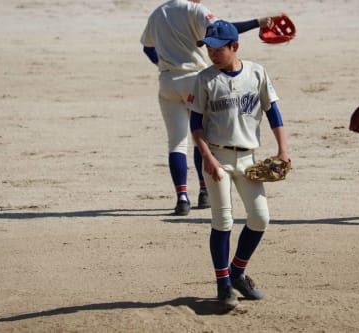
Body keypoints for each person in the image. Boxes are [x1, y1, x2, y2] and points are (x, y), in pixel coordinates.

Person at [188, 20, 290, 309]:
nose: (212, 53)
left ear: (235, 46)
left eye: (218, 48)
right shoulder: (205, 78)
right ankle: (223, 285)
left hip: (248, 158)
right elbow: (195, 123)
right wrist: (206, 157)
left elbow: (273, 112)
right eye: (208, 47)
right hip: (216, 156)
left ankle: (237, 272)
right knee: (223, 220)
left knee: (260, 218)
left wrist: (283, 149)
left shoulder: (257, 72)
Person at [140, 0, 274, 216]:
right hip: (196, 79)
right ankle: (204, 191)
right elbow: (224, 31)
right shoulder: (195, 9)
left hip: (168, 81)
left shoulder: (157, 13)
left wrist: (163, 65)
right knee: (202, 136)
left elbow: (147, 48)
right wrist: (257, 22)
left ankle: (182, 198)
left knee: (176, 142)